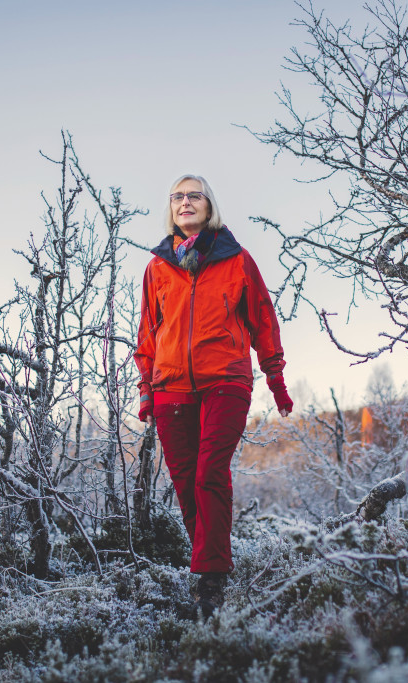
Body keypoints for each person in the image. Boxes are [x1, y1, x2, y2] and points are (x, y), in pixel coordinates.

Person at [134, 174, 293, 619]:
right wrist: (147, 389)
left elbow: (264, 319)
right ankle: (211, 565)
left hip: (225, 380)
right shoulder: (157, 267)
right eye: (177, 196)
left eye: (194, 196)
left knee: (209, 472)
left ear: (209, 206)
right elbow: (148, 333)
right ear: (171, 208)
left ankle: (211, 580)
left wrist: (275, 378)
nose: (185, 202)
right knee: (186, 483)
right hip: (171, 388)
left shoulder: (237, 259)